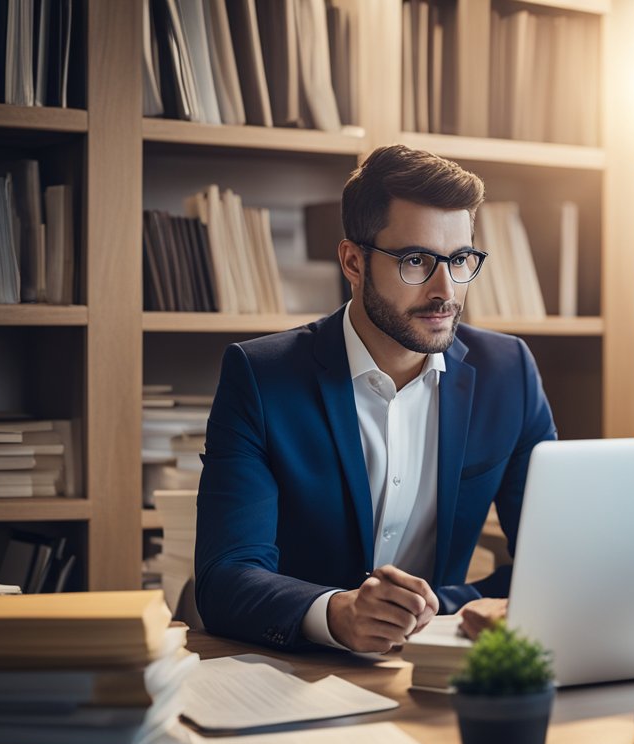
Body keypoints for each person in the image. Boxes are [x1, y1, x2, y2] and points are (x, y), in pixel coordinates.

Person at [194, 145, 555, 653]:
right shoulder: (261, 376)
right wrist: (335, 613)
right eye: (415, 260)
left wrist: (446, 605)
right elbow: (226, 578)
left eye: (460, 261)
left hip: (434, 670)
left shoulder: (508, 373)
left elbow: (553, 564)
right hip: (296, 672)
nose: (445, 290)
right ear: (353, 261)